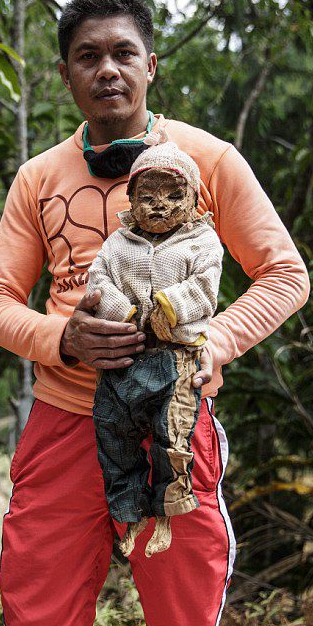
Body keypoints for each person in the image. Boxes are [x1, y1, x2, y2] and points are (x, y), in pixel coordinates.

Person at [0, 0, 310, 626]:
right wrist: (62, 338)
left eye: (124, 52)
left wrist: (211, 341)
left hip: (174, 423)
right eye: (87, 56)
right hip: (64, 422)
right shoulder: (38, 177)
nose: (107, 69)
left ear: (151, 65)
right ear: (66, 73)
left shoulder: (208, 159)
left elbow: (285, 274)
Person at [88, 138, 224, 558]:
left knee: (173, 436)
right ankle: (129, 515)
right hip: (122, 359)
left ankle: (166, 512)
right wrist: (122, 311)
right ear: (130, 199)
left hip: (176, 358)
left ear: (194, 198)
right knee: (114, 434)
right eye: (146, 197)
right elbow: (97, 282)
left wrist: (171, 307)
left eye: (172, 195)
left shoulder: (201, 241)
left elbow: (205, 288)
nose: (159, 205)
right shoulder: (117, 243)